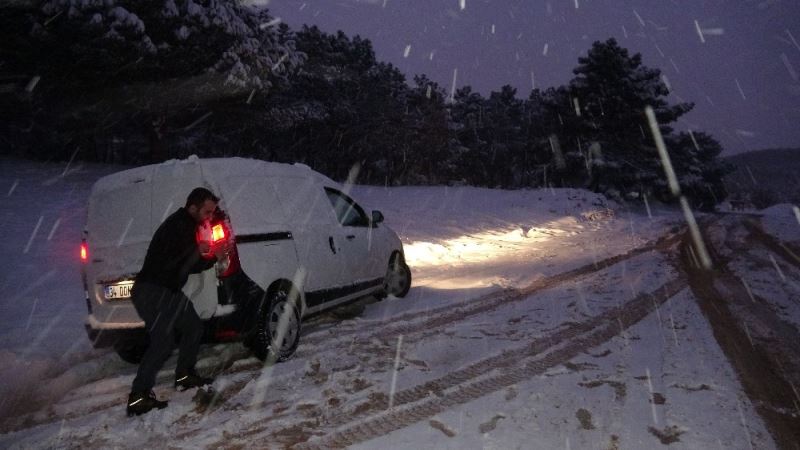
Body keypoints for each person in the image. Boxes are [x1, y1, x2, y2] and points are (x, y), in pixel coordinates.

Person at [126, 187, 229, 416]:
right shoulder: (180, 225)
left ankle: (185, 375)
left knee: (193, 326)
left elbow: (187, 259)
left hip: (166, 290)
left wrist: (204, 252)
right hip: (152, 291)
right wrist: (213, 256)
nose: (210, 217)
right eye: (207, 212)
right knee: (163, 341)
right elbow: (189, 263)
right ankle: (138, 396)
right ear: (193, 207)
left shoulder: (185, 225)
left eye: (212, 212)